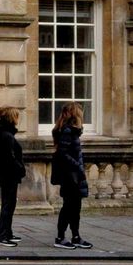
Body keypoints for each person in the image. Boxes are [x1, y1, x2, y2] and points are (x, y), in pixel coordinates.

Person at [50, 102, 93, 249]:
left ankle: (76, 236)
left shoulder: (71, 131)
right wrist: (77, 166)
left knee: (75, 207)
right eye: (80, 112)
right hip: (70, 176)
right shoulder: (67, 131)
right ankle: (60, 237)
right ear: (76, 114)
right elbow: (62, 153)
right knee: (68, 207)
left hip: (74, 174)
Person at [0, 106, 25, 245]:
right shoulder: (6, 135)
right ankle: (1, 236)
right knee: (8, 204)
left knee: (9, 204)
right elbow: (10, 157)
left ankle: (7, 232)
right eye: (16, 116)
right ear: (12, 118)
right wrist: (20, 169)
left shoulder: (3, 133)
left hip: (6, 173)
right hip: (9, 174)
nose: (18, 119)